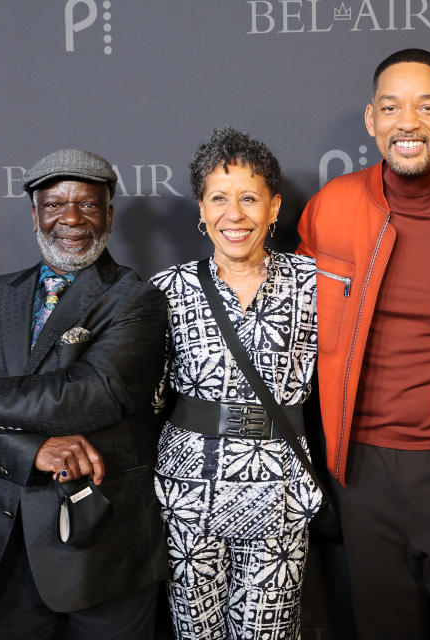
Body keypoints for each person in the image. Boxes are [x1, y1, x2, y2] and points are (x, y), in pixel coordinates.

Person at [0, 149, 169, 639]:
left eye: (88, 205)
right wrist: (34, 451)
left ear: (109, 216)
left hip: (104, 548)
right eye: (54, 204)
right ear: (34, 214)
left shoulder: (135, 299)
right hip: (1, 548)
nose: (71, 218)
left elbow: (87, 395)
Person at [297, 49, 430, 639]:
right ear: (370, 120)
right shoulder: (331, 207)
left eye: (426, 106)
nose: (408, 122)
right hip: (360, 472)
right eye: (392, 107)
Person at [151, 127, 322, 640]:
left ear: (273, 208)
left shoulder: (314, 284)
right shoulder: (167, 290)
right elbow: (147, 394)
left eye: (249, 198)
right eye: (219, 198)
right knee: (196, 632)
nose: (235, 214)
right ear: (200, 210)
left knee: (269, 633)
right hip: (189, 488)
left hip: (281, 485)